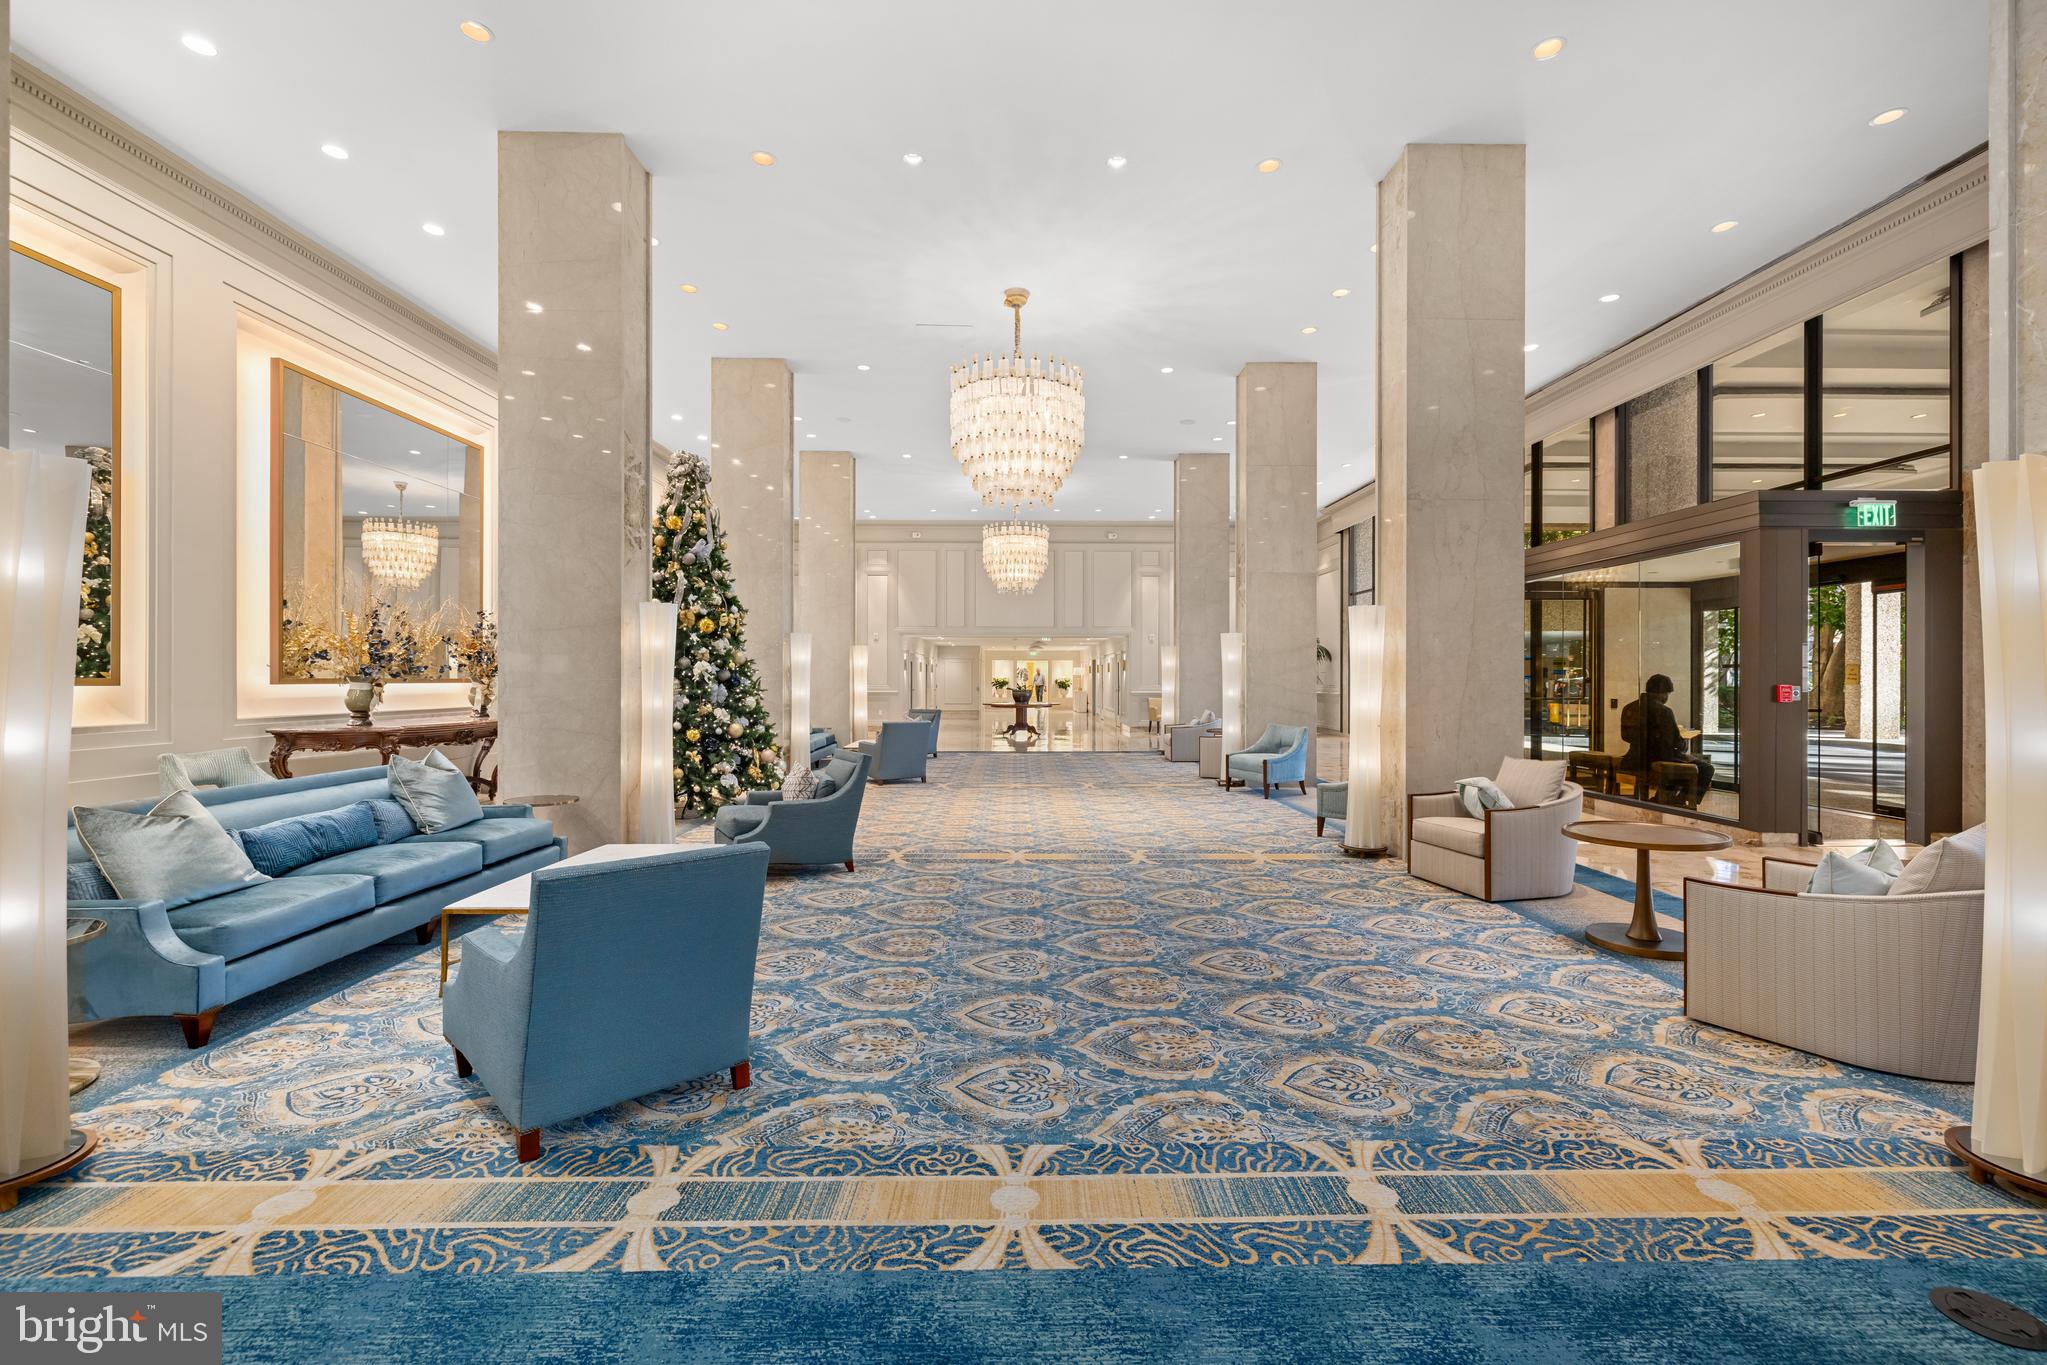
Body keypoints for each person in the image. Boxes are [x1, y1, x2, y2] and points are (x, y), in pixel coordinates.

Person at [1619, 673, 1714, 808]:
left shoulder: (1629, 707)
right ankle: (1680, 800)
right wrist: (1683, 744)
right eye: (1667, 694)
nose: (1667, 698)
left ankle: (1662, 798)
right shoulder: (1664, 711)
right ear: (1662, 693)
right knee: (1706, 768)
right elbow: (1674, 742)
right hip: (1658, 758)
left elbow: (1625, 736)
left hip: (1634, 758)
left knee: (1684, 762)